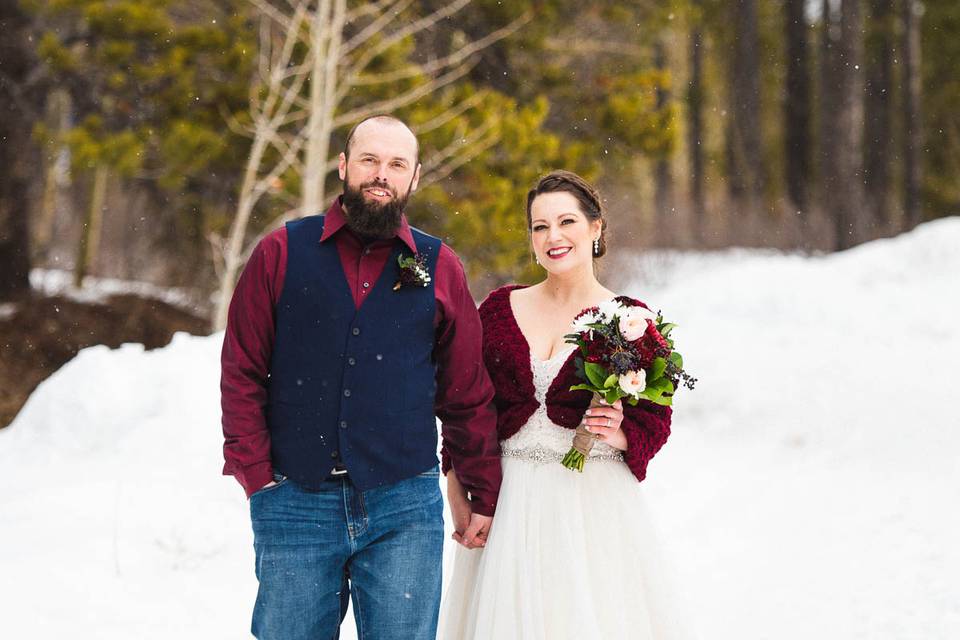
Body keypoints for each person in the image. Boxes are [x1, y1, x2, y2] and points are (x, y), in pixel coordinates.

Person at [220, 114, 501, 640]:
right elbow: (242, 369)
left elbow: (466, 390)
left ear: (414, 178)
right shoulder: (280, 252)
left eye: (396, 164)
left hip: (404, 506)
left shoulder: (440, 266)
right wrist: (258, 478)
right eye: (369, 160)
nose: (381, 174)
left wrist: (481, 488)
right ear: (344, 166)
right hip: (295, 499)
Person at [439, 170, 692, 639]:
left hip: (591, 506)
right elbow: (463, 407)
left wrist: (615, 429)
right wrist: (457, 489)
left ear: (595, 228)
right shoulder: (497, 309)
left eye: (567, 221)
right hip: (507, 504)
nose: (553, 237)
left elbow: (656, 422)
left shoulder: (630, 320)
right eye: (539, 226)